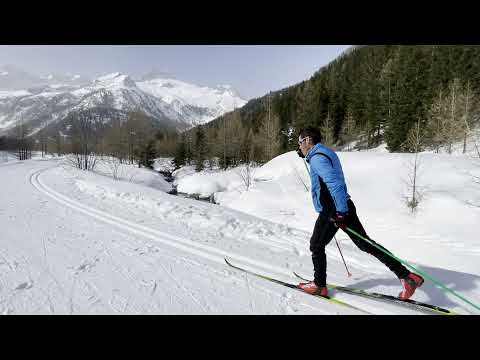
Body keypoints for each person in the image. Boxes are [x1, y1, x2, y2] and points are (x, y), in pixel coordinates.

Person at [296, 127, 424, 300]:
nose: (299, 146)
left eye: (300, 142)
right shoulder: (323, 154)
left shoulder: (318, 159)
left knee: (316, 245)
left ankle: (319, 286)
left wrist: (340, 212)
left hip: (334, 209)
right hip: (342, 205)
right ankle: (407, 277)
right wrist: (308, 157)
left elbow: (335, 184)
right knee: (365, 244)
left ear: (308, 140)